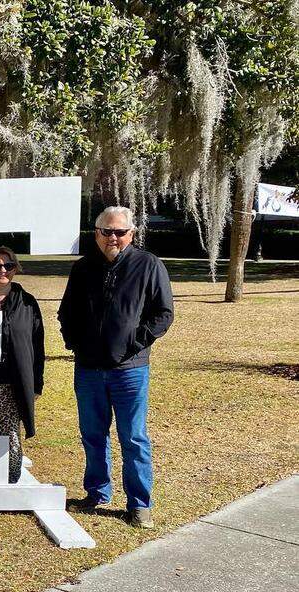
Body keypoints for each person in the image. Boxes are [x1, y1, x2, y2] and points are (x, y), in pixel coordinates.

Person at [58, 206, 174, 529]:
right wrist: (74, 342)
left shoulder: (148, 265)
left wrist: (133, 342)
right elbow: (66, 312)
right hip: (89, 370)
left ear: (131, 234)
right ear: (96, 234)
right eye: (106, 232)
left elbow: (163, 314)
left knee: (133, 437)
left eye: (120, 232)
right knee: (92, 434)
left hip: (129, 370)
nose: (113, 238)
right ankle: (97, 492)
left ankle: (139, 504)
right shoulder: (82, 269)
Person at [0, 247, 45, 484]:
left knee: (10, 436)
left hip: (9, 381)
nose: (2, 270)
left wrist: (36, 383)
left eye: (8, 266)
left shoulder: (27, 302)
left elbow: (37, 345)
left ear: (16, 268)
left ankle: (8, 478)